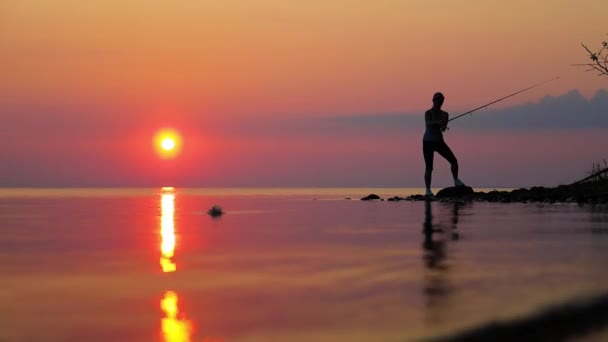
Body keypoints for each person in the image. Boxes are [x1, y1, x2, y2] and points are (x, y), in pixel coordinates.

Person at [423, 92, 465, 197]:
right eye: (437, 99)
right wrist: (438, 122)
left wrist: (442, 123)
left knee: (454, 161)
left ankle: (456, 180)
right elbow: (429, 123)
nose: (439, 101)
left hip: (439, 141)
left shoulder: (445, 114)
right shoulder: (428, 113)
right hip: (427, 142)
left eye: (441, 100)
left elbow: (443, 129)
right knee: (429, 167)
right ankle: (428, 190)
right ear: (433, 100)